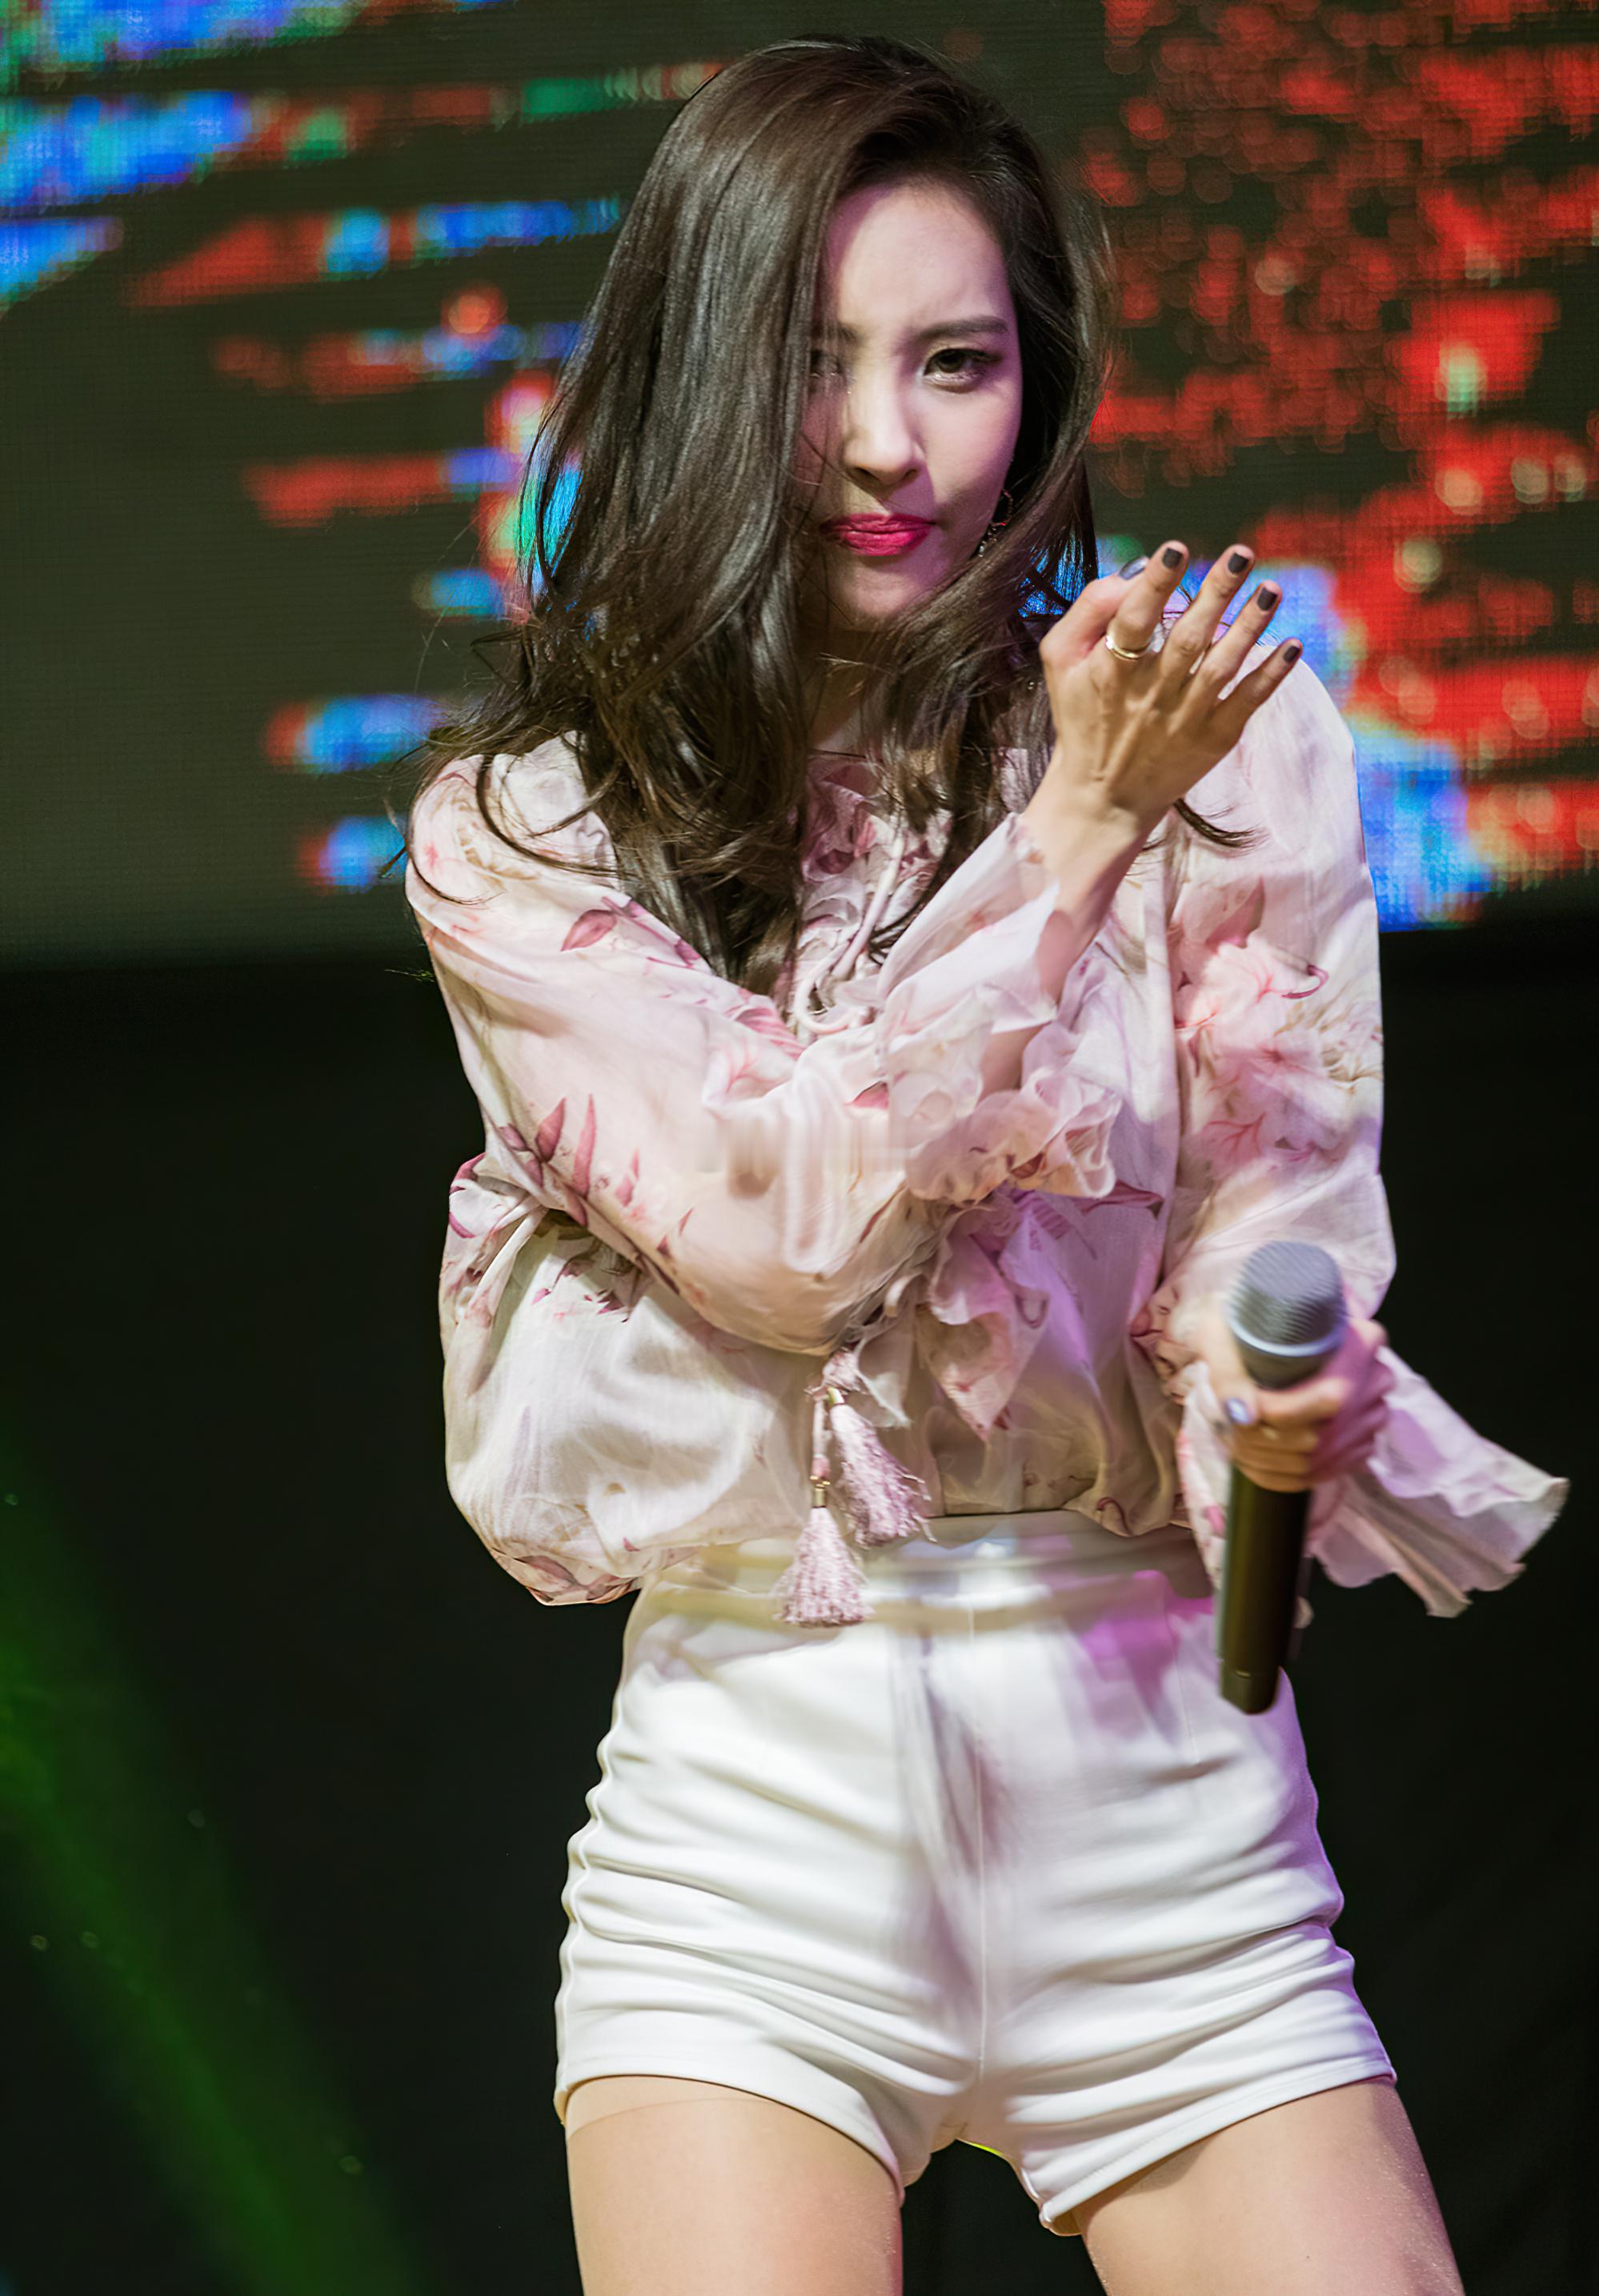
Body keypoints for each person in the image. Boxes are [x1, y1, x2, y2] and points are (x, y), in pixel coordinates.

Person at [398, 35, 1567, 2294]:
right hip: (760, 1831)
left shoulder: (1229, 747)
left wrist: (1285, 1391)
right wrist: (1072, 834)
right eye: (813, 362)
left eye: (956, 362)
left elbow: (1277, 1224)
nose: (885, 442)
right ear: (696, 371)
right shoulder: (534, 828)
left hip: (1172, 1834)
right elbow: (782, 1233)